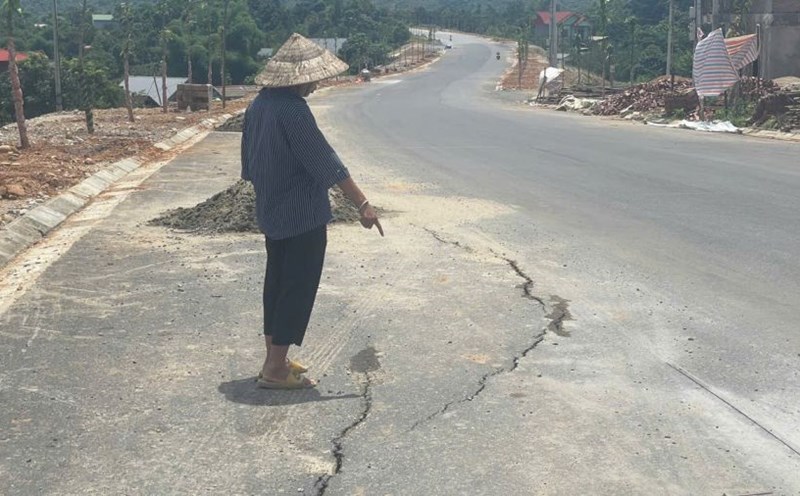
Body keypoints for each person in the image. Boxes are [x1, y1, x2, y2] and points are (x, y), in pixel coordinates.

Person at [241, 33, 383, 390]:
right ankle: (275, 370)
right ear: (300, 78)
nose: (317, 85)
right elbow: (325, 162)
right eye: (314, 79)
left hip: (271, 211)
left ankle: (274, 358)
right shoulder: (293, 110)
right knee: (297, 287)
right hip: (301, 215)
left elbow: (248, 165)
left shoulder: (258, 106)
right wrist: (362, 204)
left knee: (276, 284)